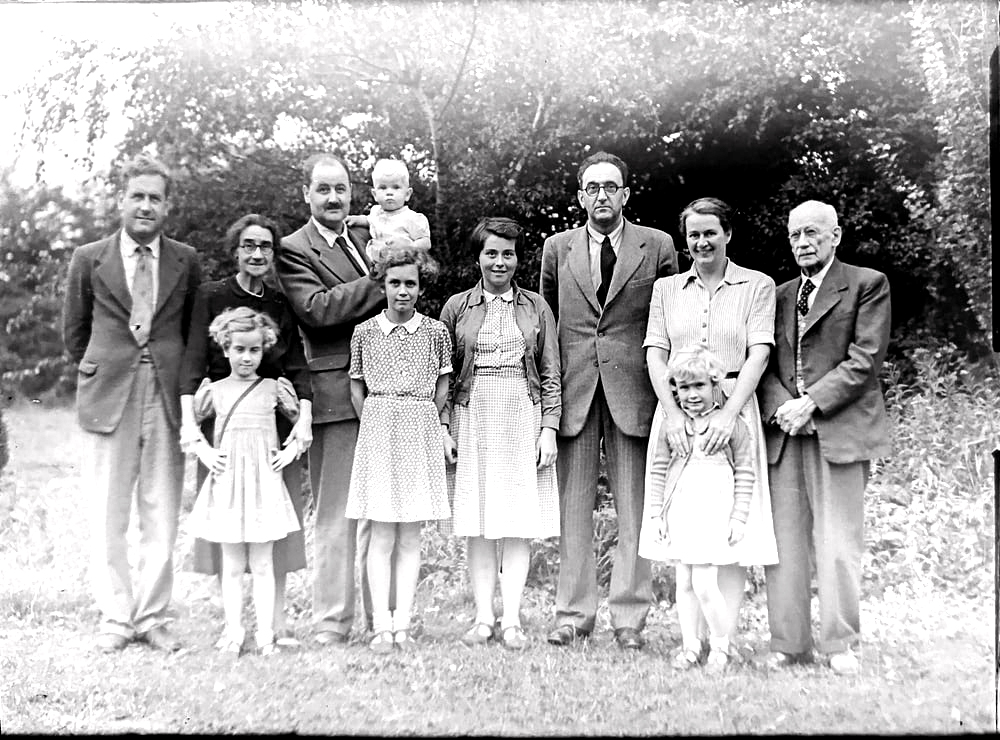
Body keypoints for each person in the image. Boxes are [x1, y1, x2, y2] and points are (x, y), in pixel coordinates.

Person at [62, 153, 202, 652]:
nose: (145, 206)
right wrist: (108, 367)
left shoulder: (185, 260)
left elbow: (192, 333)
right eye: (137, 196)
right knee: (108, 510)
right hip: (109, 392)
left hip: (165, 392)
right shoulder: (88, 258)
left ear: (167, 207)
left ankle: (153, 616)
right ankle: (116, 618)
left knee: (161, 508)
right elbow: (75, 332)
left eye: (154, 198)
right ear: (121, 201)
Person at [539, 151, 678, 649]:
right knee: (572, 509)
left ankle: (629, 618)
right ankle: (573, 614)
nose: (602, 195)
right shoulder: (557, 248)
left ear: (625, 194)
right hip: (574, 391)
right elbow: (547, 322)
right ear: (581, 196)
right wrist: (548, 398)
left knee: (635, 508)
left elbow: (670, 317)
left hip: (634, 391)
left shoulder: (656, 245)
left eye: (611, 187)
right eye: (593, 187)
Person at [637, 197, 778, 664]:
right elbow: (655, 354)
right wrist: (673, 413)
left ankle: (723, 641)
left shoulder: (756, 285)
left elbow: (759, 354)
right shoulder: (667, 289)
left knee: (728, 532)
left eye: (710, 232)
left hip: (733, 407)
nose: (702, 242)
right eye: (693, 234)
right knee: (684, 526)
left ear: (727, 234)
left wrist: (729, 414)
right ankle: (690, 642)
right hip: (678, 410)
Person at [758, 199, 891, 676]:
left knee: (837, 543)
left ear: (835, 235)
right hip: (785, 435)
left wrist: (811, 402)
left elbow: (865, 359)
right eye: (795, 235)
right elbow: (762, 361)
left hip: (839, 431)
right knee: (785, 543)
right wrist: (783, 408)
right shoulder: (777, 295)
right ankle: (788, 643)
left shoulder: (867, 284)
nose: (803, 243)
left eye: (812, 232)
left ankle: (840, 644)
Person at [179, 213, 313, 650]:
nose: (257, 254)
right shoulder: (211, 295)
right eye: (248, 245)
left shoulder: (279, 303)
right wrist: (193, 433)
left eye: (265, 246)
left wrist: (303, 422)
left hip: (269, 428)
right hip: (223, 429)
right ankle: (233, 628)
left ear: (274, 253)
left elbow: (296, 366)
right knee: (230, 536)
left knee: (268, 538)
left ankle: (272, 627)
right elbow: (192, 362)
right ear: (235, 251)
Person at [275, 152, 386, 645]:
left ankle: (383, 618)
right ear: (306, 194)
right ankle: (331, 621)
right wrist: (383, 281)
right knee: (337, 511)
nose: (334, 198)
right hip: (335, 392)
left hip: (386, 390)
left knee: (381, 509)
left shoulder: (367, 235)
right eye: (323, 189)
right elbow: (317, 310)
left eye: (341, 188)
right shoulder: (293, 249)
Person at [439, 217, 560, 651]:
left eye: (508, 254)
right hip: (472, 415)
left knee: (516, 522)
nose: (499, 262)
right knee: (478, 522)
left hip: (521, 416)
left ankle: (511, 620)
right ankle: (483, 618)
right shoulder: (457, 307)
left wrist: (549, 429)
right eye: (491, 253)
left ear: (517, 259)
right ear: (478, 257)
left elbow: (550, 372)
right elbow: (443, 375)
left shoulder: (535, 307)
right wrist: (444, 427)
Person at [346, 248, 452, 652]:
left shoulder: (435, 332)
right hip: (378, 430)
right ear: (383, 286)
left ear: (421, 287)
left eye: (410, 283)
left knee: (409, 535)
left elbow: (443, 386)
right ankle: (381, 626)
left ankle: (403, 623)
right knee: (381, 534)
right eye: (395, 283)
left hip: (418, 429)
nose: (403, 291)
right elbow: (356, 388)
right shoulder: (365, 332)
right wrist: (377, 421)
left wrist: (422, 417)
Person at [185, 307, 301, 657]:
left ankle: (265, 635)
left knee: (263, 564)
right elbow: (189, 427)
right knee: (232, 565)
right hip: (229, 483)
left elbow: (301, 425)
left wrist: (290, 451)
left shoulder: (273, 389)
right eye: (239, 349)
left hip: (264, 483)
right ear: (225, 348)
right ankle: (234, 632)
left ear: (264, 349)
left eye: (254, 350)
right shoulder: (215, 391)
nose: (246, 357)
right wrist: (204, 452)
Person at [642, 346, 755, 672]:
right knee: (685, 583)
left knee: (705, 584)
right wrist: (656, 514)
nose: (692, 395)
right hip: (682, 510)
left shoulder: (731, 426)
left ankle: (721, 644)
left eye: (699, 386)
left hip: (714, 510)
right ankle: (690, 644)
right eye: (684, 387)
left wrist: (739, 517)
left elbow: (745, 471)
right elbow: (659, 470)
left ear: (715, 383)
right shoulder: (672, 426)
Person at [348, 158, 432, 263]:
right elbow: (368, 220)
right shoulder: (376, 212)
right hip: (377, 264)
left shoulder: (412, 218)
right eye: (383, 188)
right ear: (375, 194)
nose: (389, 193)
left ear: (407, 194)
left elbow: (426, 243)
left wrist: (409, 246)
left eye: (396, 187)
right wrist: (355, 219)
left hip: (403, 264)